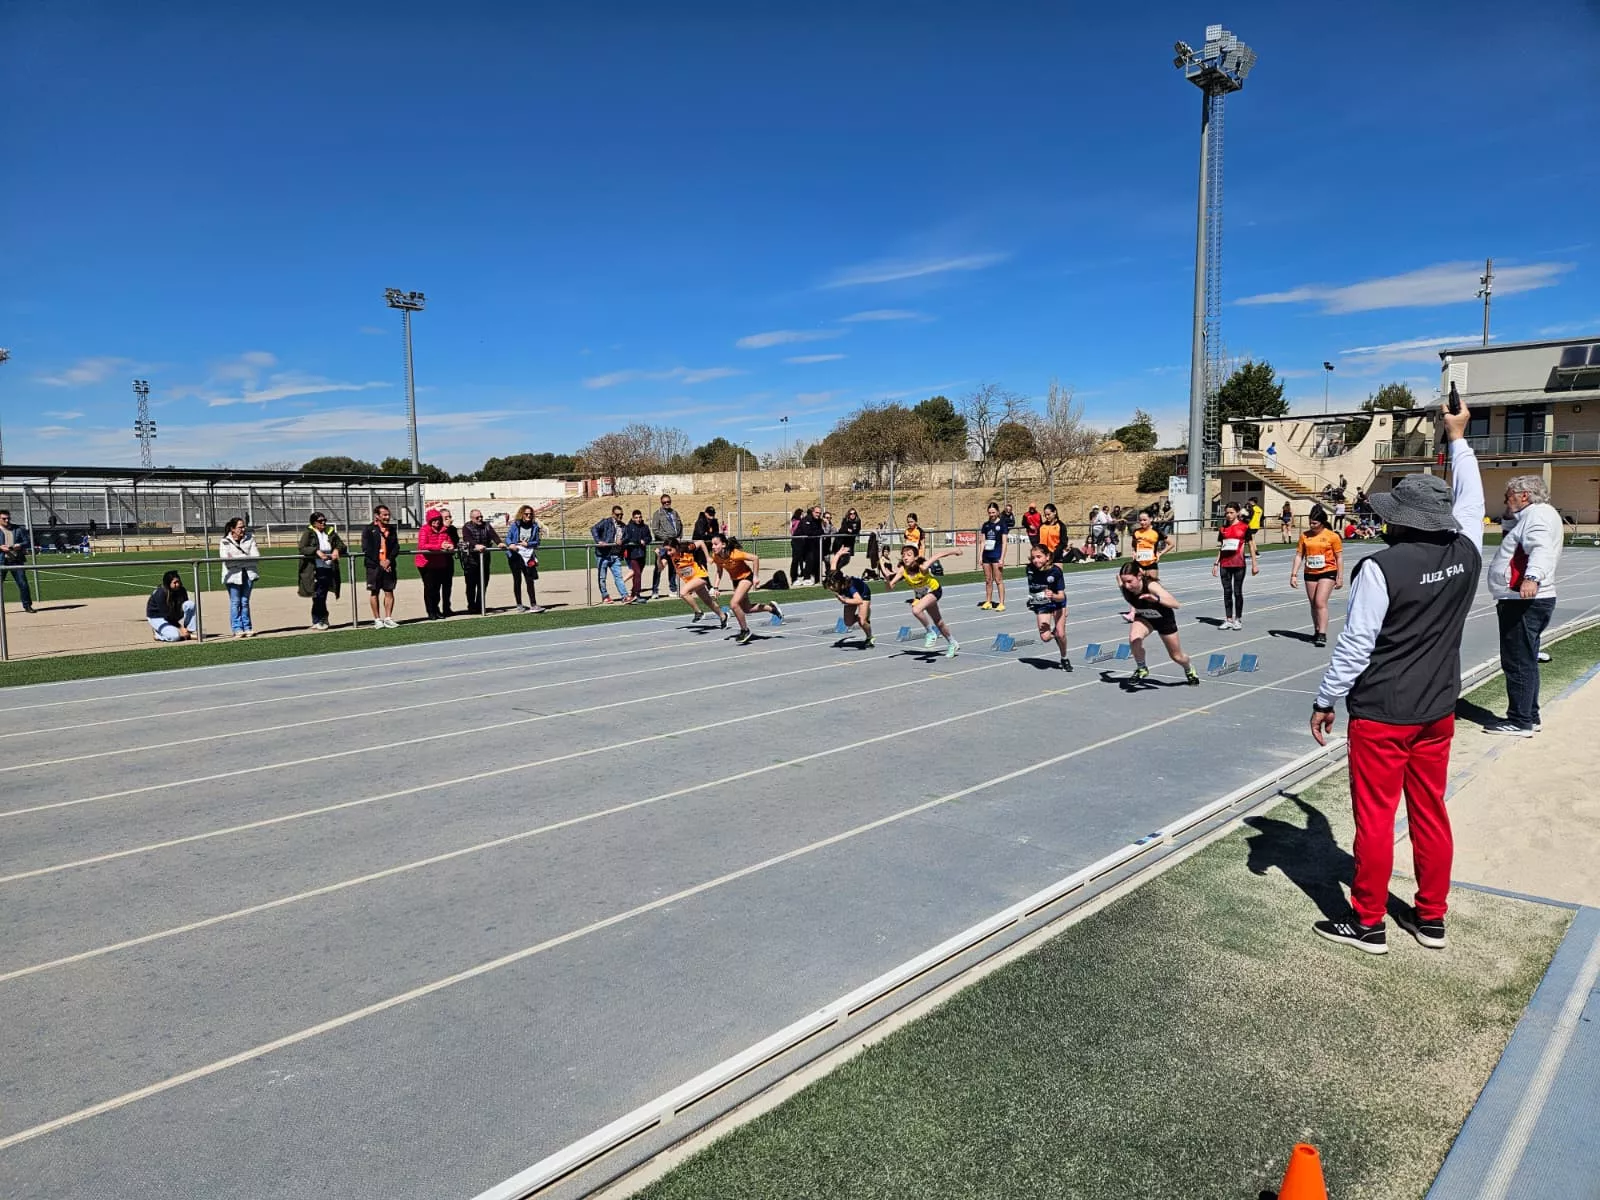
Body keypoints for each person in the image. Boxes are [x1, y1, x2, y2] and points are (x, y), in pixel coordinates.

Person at [1308, 398, 1484, 954]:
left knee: (1376, 819)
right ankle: (1431, 917)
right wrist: (1458, 437)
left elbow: (1356, 646)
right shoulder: (1468, 551)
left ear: (1400, 520)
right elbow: (1472, 500)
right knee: (1430, 813)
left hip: (1383, 712)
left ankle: (1368, 922)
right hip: (1438, 709)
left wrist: (1325, 699)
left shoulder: (1380, 568)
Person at [1484, 474, 1563, 736]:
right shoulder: (1536, 514)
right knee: (1526, 658)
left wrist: (1532, 577)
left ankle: (1520, 721)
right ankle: (1530, 715)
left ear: (1524, 495)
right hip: (1527, 598)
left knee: (1517, 661)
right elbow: (1514, 536)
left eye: (1508, 496)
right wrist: (1510, 514)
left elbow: (1540, 548)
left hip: (1523, 598)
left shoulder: (1537, 516)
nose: (1505, 501)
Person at [1116, 561, 1199, 685]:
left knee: (1176, 656)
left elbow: (1176, 604)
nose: (1127, 586)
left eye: (1130, 581)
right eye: (1124, 582)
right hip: (1144, 617)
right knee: (1134, 639)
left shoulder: (1151, 586)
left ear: (1139, 576)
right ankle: (1142, 668)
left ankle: (1189, 669)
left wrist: (1156, 599)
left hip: (1163, 620)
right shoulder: (1123, 585)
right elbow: (1118, 577)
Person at [885, 544, 962, 657]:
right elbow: (890, 587)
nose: (905, 557)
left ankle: (930, 632)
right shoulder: (903, 570)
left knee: (916, 610)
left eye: (909, 555)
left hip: (934, 590)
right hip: (923, 595)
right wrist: (888, 580)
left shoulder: (922, 566)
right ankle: (952, 642)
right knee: (938, 622)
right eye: (903, 555)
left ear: (915, 557)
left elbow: (938, 555)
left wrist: (955, 551)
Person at [711, 533, 782, 644]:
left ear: (723, 545)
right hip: (735, 581)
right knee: (746, 609)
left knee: (734, 604)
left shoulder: (735, 554)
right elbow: (719, 571)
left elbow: (755, 558)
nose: (713, 547)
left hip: (746, 577)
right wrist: (715, 587)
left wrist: (755, 577)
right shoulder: (716, 557)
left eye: (716, 544)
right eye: (712, 544)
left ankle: (745, 630)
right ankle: (771, 608)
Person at [1290, 503, 1344, 647]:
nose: (1312, 526)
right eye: (1310, 523)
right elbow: (1299, 556)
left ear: (1322, 522)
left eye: (1315, 523)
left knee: (1320, 602)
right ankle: (1317, 629)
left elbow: (1339, 557)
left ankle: (1322, 634)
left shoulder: (1332, 536)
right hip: (1310, 572)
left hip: (1328, 571)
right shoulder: (1304, 536)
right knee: (1313, 603)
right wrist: (1293, 574)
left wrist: (1340, 577)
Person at [1211, 502, 1258, 631]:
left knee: (1237, 592)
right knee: (1227, 592)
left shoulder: (1244, 527)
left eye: (1231, 512)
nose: (1229, 515)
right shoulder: (1223, 529)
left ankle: (1238, 619)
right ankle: (1228, 619)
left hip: (1239, 564)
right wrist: (1216, 563)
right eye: (1227, 513)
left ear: (1237, 513)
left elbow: (1251, 546)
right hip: (1225, 564)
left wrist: (1254, 564)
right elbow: (1222, 547)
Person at [1025, 543, 1071, 670]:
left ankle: (1064, 658)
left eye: (1039, 557)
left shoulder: (1056, 571)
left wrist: (1053, 595)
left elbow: (1061, 596)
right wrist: (1032, 601)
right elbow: (1033, 588)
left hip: (1057, 602)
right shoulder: (1029, 569)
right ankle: (1054, 634)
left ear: (1047, 557)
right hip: (1042, 604)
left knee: (1061, 634)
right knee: (1045, 637)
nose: (1035, 560)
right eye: (1033, 557)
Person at [297, 512, 345, 630]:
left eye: (324, 520)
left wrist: (337, 550)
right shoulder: (309, 533)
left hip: (329, 567)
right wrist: (316, 551)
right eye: (320, 521)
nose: (323, 522)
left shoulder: (330, 531)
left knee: (321, 595)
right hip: (315, 569)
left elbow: (342, 545)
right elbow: (302, 548)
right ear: (314, 523)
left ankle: (319, 619)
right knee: (318, 595)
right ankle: (320, 619)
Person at [663, 536, 724, 626]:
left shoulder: (687, 548)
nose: (668, 553)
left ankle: (698, 612)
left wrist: (707, 557)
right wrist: (658, 558)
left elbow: (701, 542)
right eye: (666, 550)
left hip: (700, 575)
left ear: (676, 547)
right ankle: (723, 616)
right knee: (708, 601)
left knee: (683, 593)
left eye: (670, 550)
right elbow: (661, 567)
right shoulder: (668, 555)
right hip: (691, 580)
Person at [218, 517, 259, 638]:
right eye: (240, 527)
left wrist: (237, 559)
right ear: (233, 529)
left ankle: (247, 627)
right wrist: (246, 559)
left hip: (248, 574)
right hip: (232, 576)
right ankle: (237, 628)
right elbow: (227, 561)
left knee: (245, 602)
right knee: (235, 602)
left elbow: (256, 557)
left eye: (244, 527)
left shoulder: (250, 538)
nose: (243, 529)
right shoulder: (225, 541)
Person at [362, 504, 401, 628]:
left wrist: (388, 560)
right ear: (377, 516)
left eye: (388, 515)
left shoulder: (392, 529)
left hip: (388, 565)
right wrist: (380, 562)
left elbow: (396, 547)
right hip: (373, 566)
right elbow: (367, 549)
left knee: (389, 591)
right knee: (374, 592)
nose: (387, 517)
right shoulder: (369, 529)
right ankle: (377, 619)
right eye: (384, 515)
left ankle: (388, 618)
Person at [415, 507, 456, 620]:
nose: (436, 522)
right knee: (430, 588)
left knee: (437, 588)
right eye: (434, 520)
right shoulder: (424, 530)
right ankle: (431, 611)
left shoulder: (444, 530)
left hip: (439, 563)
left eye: (438, 519)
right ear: (429, 520)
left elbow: (449, 541)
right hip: (426, 563)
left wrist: (450, 546)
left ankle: (436, 609)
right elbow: (422, 545)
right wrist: (439, 546)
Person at [459, 508, 501, 615]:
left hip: (485, 560)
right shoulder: (467, 527)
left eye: (481, 516)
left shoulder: (486, 525)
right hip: (471, 561)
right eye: (477, 517)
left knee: (483, 583)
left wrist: (499, 542)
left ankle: (479, 605)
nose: (480, 519)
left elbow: (493, 535)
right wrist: (475, 545)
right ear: (472, 518)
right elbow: (467, 538)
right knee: (471, 585)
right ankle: (471, 606)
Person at [504, 505, 545, 613]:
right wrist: (511, 544)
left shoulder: (534, 526)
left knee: (529, 580)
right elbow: (508, 538)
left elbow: (537, 542)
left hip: (528, 555)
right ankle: (519, 604)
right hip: (515, 555)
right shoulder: (515, 525)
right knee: (517, 580)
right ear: (522, 514)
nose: (529, 516)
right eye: (526, 514)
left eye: (530, 514)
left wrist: (528, 544)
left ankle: (533, 604)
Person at [825, 568, 874, 647]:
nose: (831, 587)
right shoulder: (836, 585)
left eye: (833, 584)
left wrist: (845, 600)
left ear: (839, 581)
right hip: (850, 596)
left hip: (863, 594)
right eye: (830, 584)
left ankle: (869, 637)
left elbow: (859, 600)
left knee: (862, 621)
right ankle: (864, 614)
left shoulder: (850, 586)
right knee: (848, 622)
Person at [146, 570, 198, 641]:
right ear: (168, 583)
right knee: (174, 636)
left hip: (172, 614)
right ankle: (157, 634)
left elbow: (186, 607)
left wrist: (184, 629)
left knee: (190, 604)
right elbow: (166, 615)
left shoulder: (181, 590)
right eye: (175, 583)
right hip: (157, 617)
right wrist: (181, 628)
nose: (178, 584)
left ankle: (189, 631)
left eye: (178, 581)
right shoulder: (160, 593)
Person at [0, 508, 35, 614]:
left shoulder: (18, 529)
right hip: (2, 561)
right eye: (4, 519)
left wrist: (19, 545)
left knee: (23, 584)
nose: (7, 520)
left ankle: (27, 606)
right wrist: (0, 547)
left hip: (16, 560)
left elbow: (27, 541)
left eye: (8, 518)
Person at [591, 504, 628, 603]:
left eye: (621, 514)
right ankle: (605, 596)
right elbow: (594, 529)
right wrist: (599, 541)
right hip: (603, 554)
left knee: (619, 577)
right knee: (602, 577)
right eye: (617, 514)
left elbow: (626, 537)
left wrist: (622, 541)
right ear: (613, 514)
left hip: (615, 555)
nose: (620, 516)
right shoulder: (606, 522)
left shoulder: (623, 526)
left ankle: (624, 596)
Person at [649, 493, 683, 597]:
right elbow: (655, 530)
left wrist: (679, 536)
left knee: (673, 567)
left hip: (673, 545)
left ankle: (673, 589)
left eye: (668, 502)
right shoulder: (657, 514)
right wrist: (667, 539)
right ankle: (655, 591)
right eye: (664, 502)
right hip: (662, 545)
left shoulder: (674, 513)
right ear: (661, 503)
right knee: (659, 567)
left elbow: (680, 525)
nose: (667, 503)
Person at [979, 502, 1008, 611]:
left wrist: (1002, 558)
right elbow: (983, 541)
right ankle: (988, 601)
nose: (991, 514)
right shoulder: (985, 525)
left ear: (998, 512)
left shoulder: (1002, 525)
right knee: (988, 579)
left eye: (993, 512)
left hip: (996, 555)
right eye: (990, 513)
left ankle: (1001, 603)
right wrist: (980, 556)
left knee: (998, 579)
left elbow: (1004, 543)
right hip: (986, 555)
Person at [621, 508, 653, 602]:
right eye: (636, 517)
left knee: (637, 575)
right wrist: (639, 541)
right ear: (633, 518)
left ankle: (633, 594)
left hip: (642, 554)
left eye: (639, 517)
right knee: (637, 574)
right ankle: (637, 594)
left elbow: (649, 537)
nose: (638, 519)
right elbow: (628, 538)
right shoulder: (629, 527)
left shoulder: (645, 527)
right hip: (632, 554)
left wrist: (645, 540)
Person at [1129, 510, 1172, 581]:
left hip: (1151, 563)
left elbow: (1171, 544)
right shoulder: (1136, 532)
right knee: (1138, 586)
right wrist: (1134, 552)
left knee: (1152, 584)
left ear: (1151, 519)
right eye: (1140, 520)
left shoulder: (1156, 531)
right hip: (1138, 563)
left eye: (1144, 520)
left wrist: (1160, 554)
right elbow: (1133, 544)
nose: (1142, 522)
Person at [437, 506, 460, 617]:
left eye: (449, 517)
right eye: (446, 517)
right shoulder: (435, 528)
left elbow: (455, 542)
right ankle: (435, 610)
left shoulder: (453, 529)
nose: (449, 519)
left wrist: (452, 545)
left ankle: (447, 608)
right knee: (436, 587)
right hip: (436, 561)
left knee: (447, 586)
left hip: (448, 560)